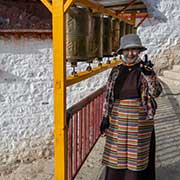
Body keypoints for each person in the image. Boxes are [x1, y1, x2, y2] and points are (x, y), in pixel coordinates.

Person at [100, 34, 162, 180]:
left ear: (139, 51)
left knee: (136, 157)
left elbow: (157, 92)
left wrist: (149, 75)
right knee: (117, 155)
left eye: (134, 50)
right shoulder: (116, 71)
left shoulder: (144, 69)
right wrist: (104, 117)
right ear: (122, 52)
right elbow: (108, 96)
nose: (130, 53)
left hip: (139, 120)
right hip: (118, 119)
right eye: (127, 50)